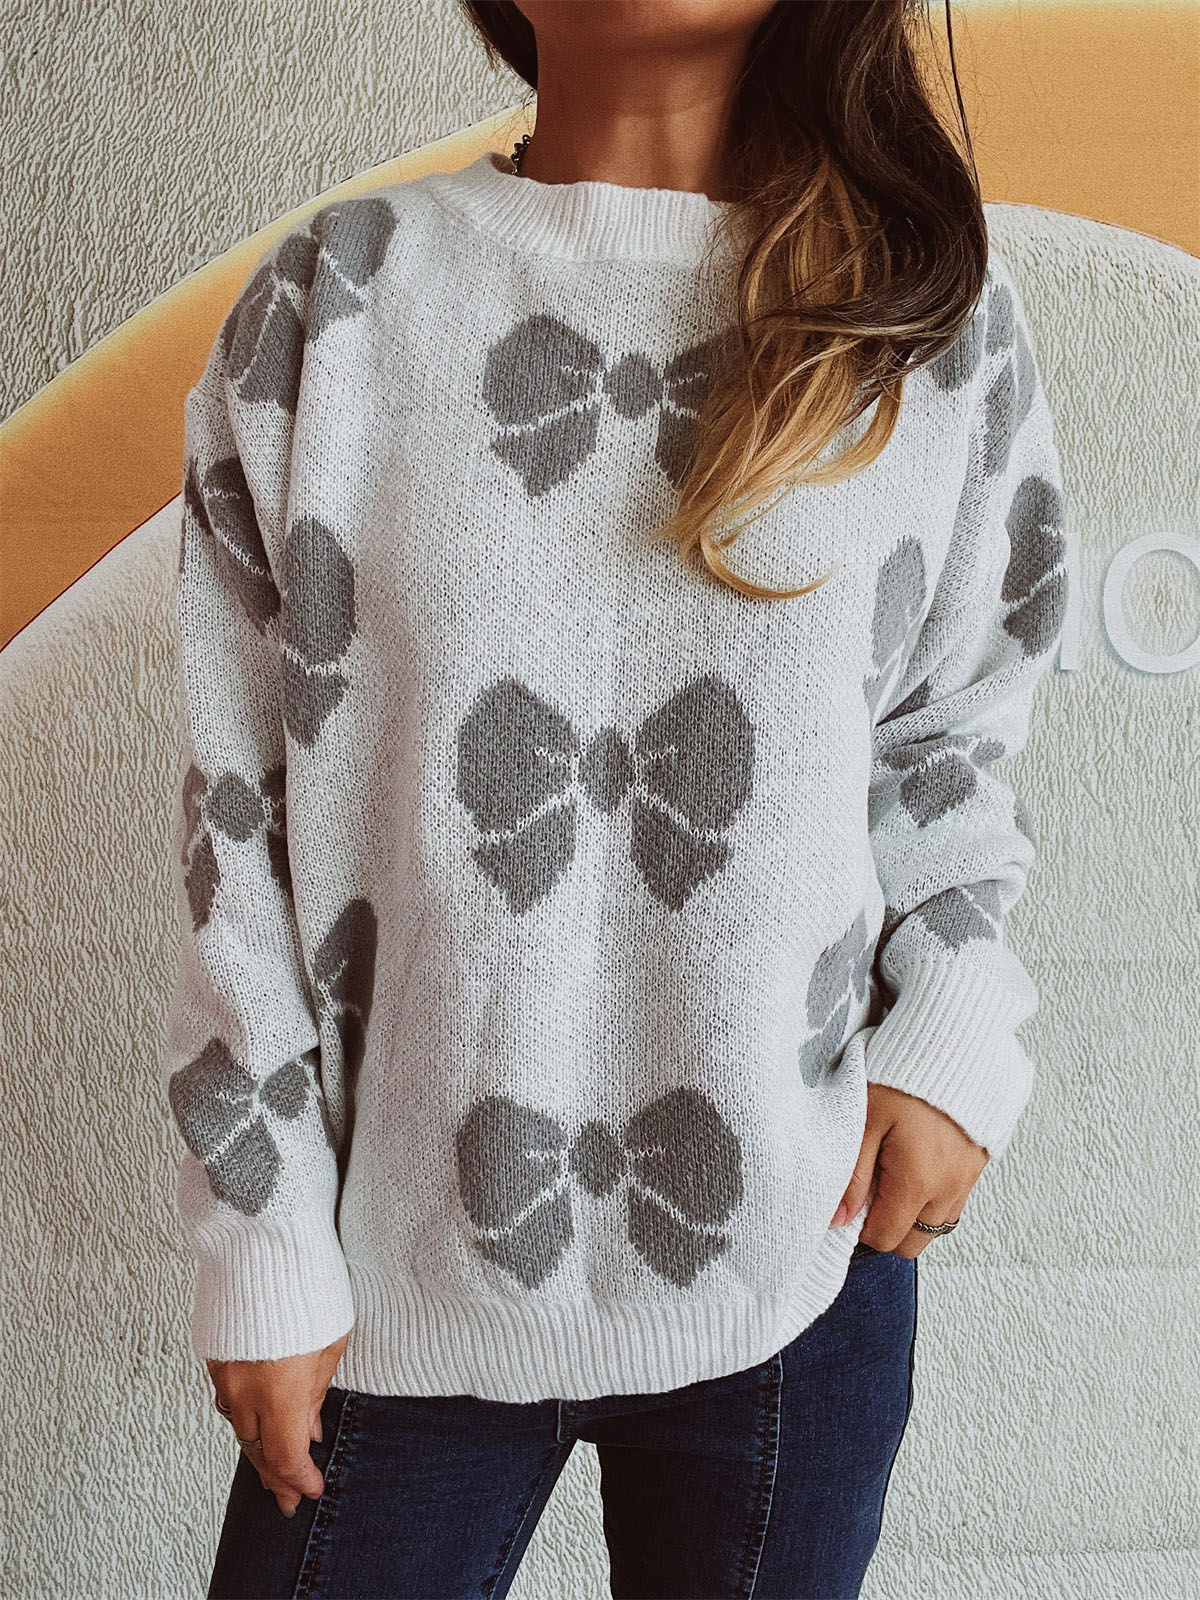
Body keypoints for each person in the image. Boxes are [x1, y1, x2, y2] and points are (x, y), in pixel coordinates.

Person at [162, 1, 1068, 1595]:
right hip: (393, 1266)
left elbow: (951, 731)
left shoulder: (921, 322)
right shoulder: (338, 297)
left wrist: (955, 1029)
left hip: (802, 1246)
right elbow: (241, 819)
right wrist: (260, 1226)